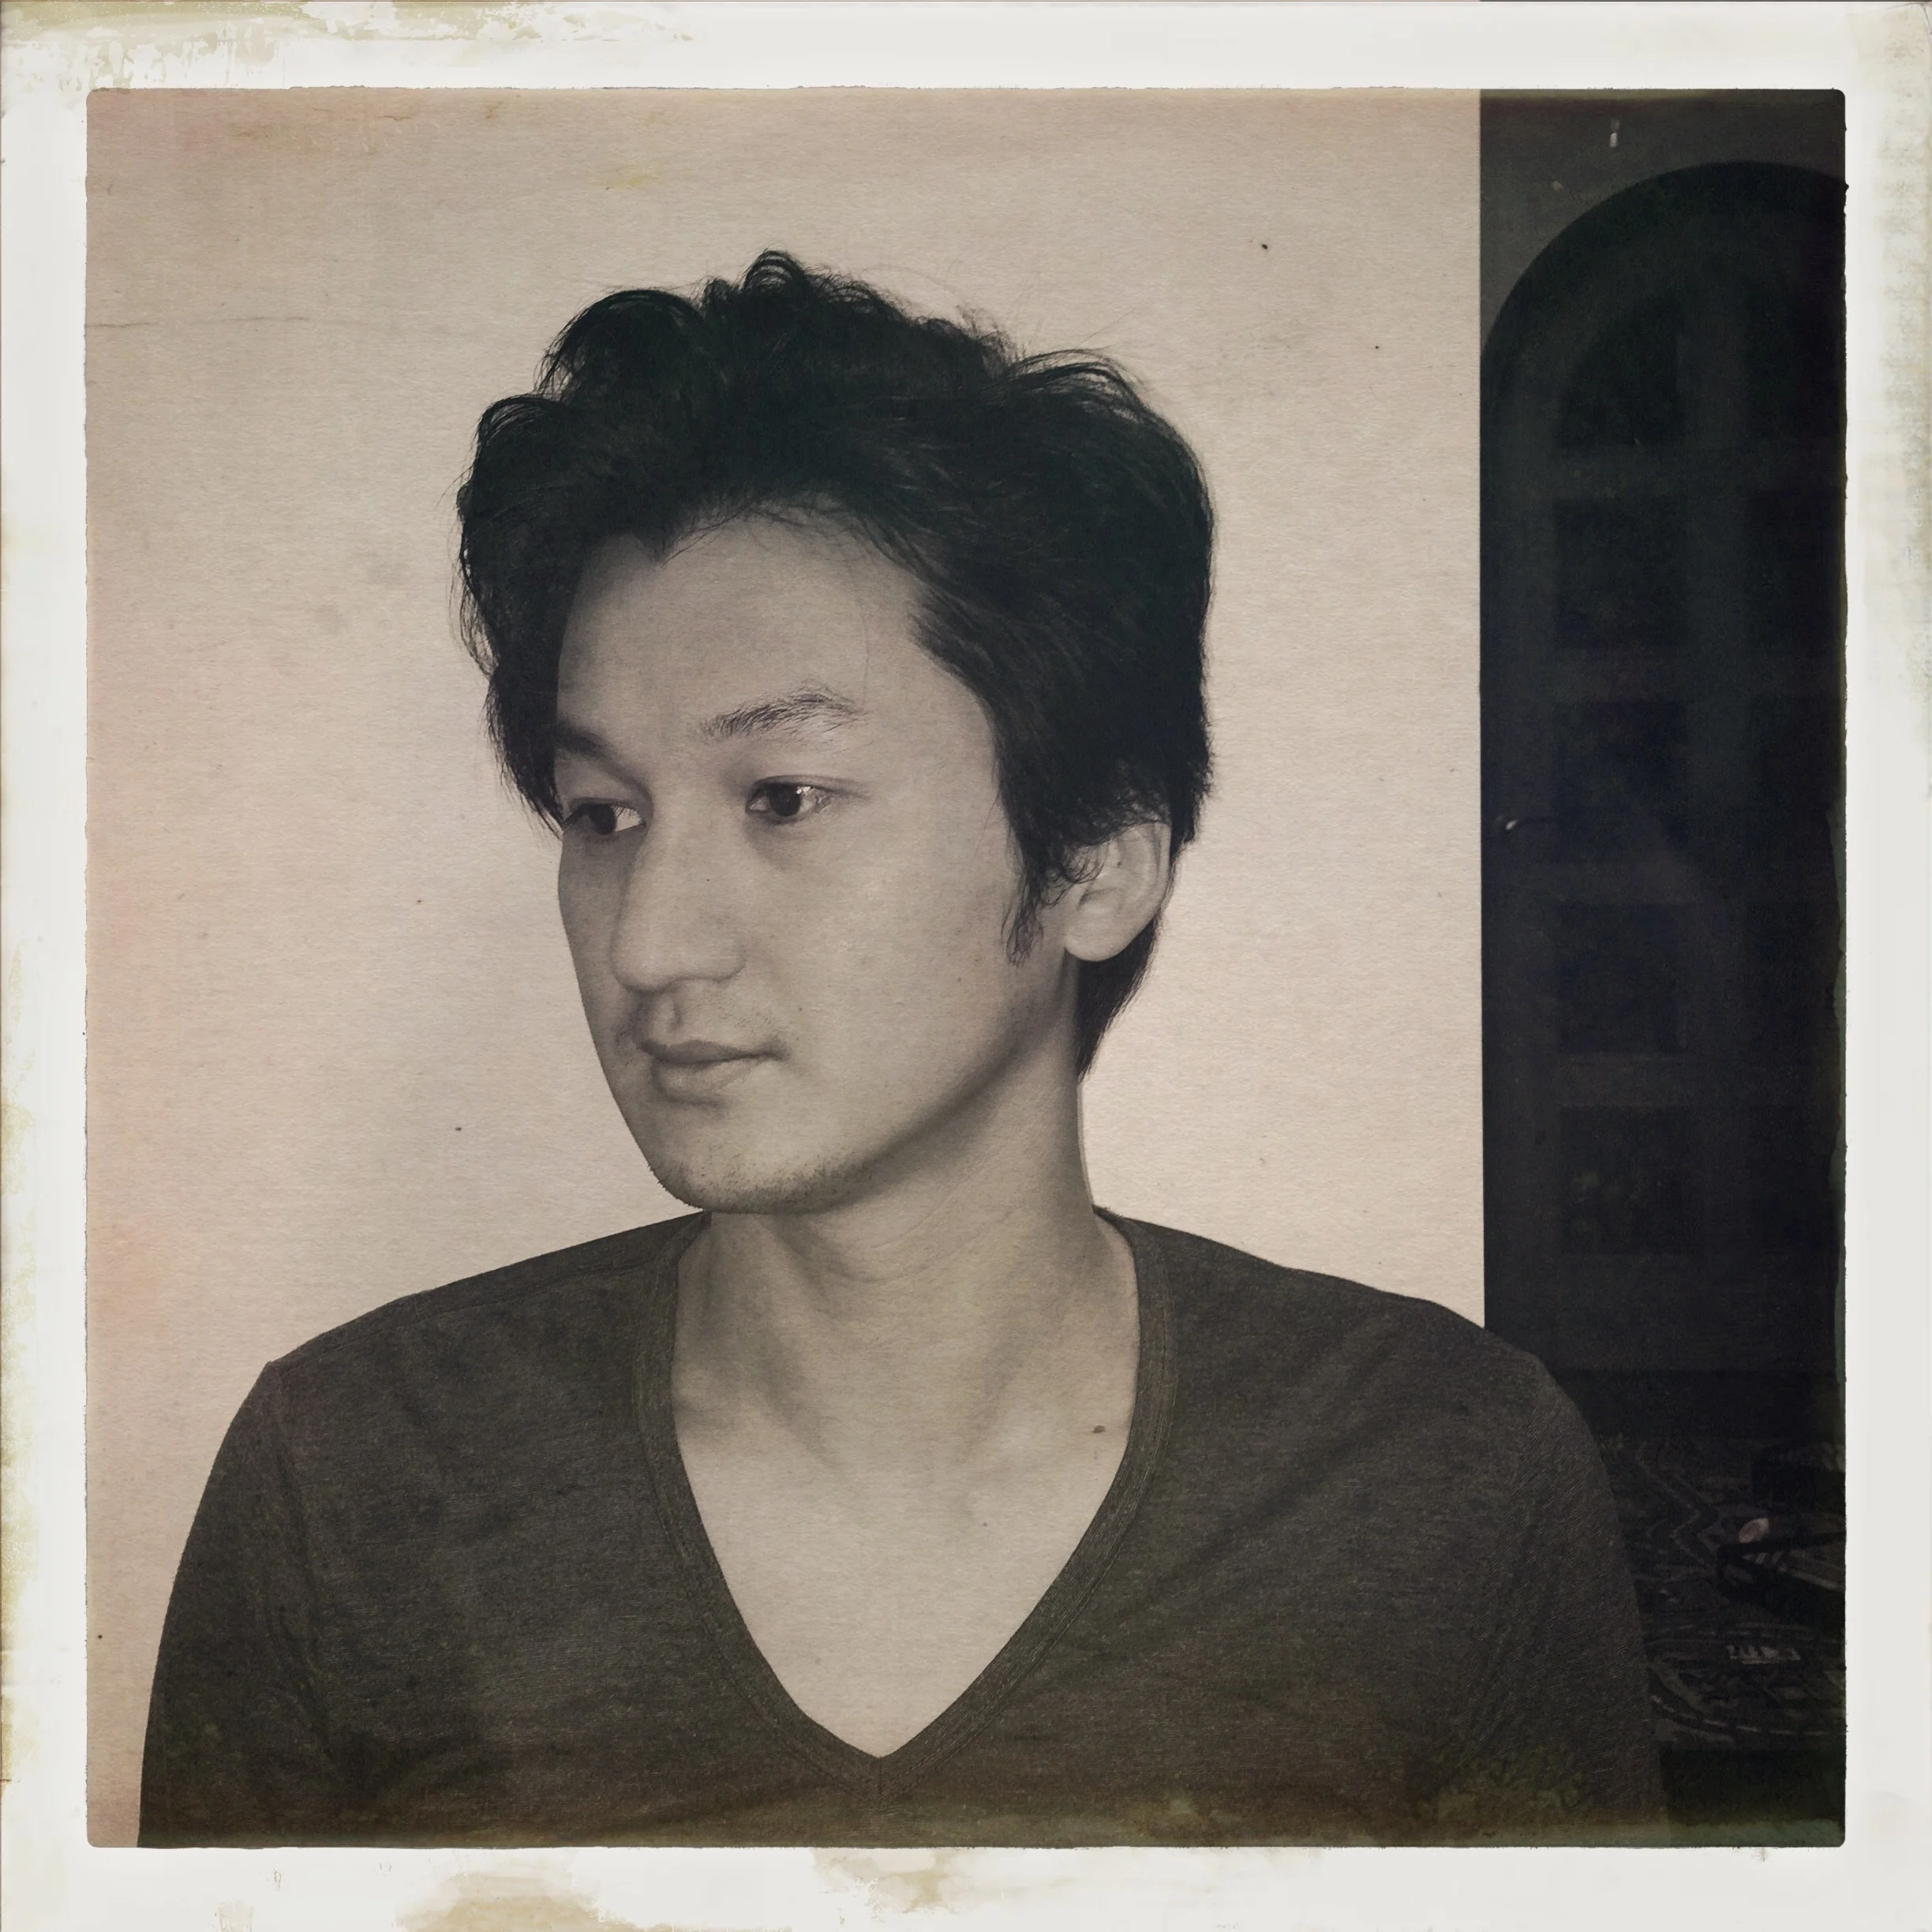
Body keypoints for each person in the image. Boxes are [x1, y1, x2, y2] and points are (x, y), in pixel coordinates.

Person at [140, 253, 1663, 1847]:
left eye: (783, 798)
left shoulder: (1436, 1474)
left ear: (1094, 865)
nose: (648, 941)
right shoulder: (356, 1477)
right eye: (605, 815)